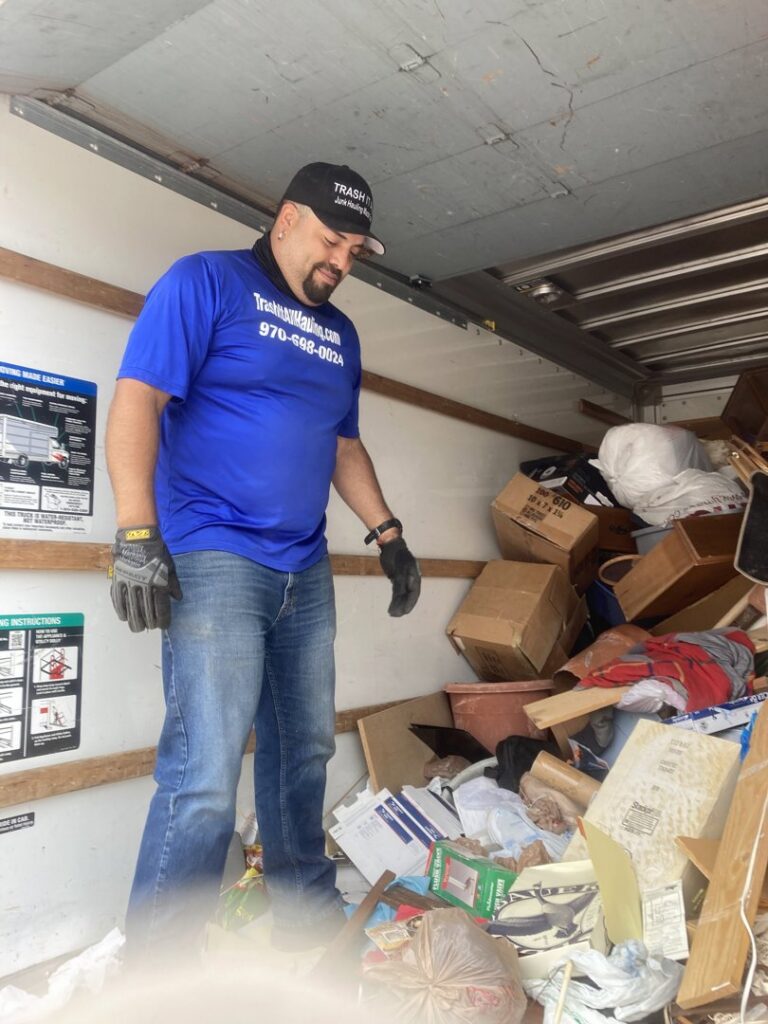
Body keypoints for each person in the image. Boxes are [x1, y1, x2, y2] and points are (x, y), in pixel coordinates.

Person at [105, 162, 421, 961]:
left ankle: (308, 925)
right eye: (330, 241)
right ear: (285, 220)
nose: (342, 262)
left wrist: (389, 534)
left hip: (303, 572)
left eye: (354, 250)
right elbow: (139, 397)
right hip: (214, 558)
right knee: (206, 771)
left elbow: (342, 444)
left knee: (303, 750)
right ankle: (157, 976)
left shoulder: (340, 334)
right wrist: (137, 533)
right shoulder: (204, 283)